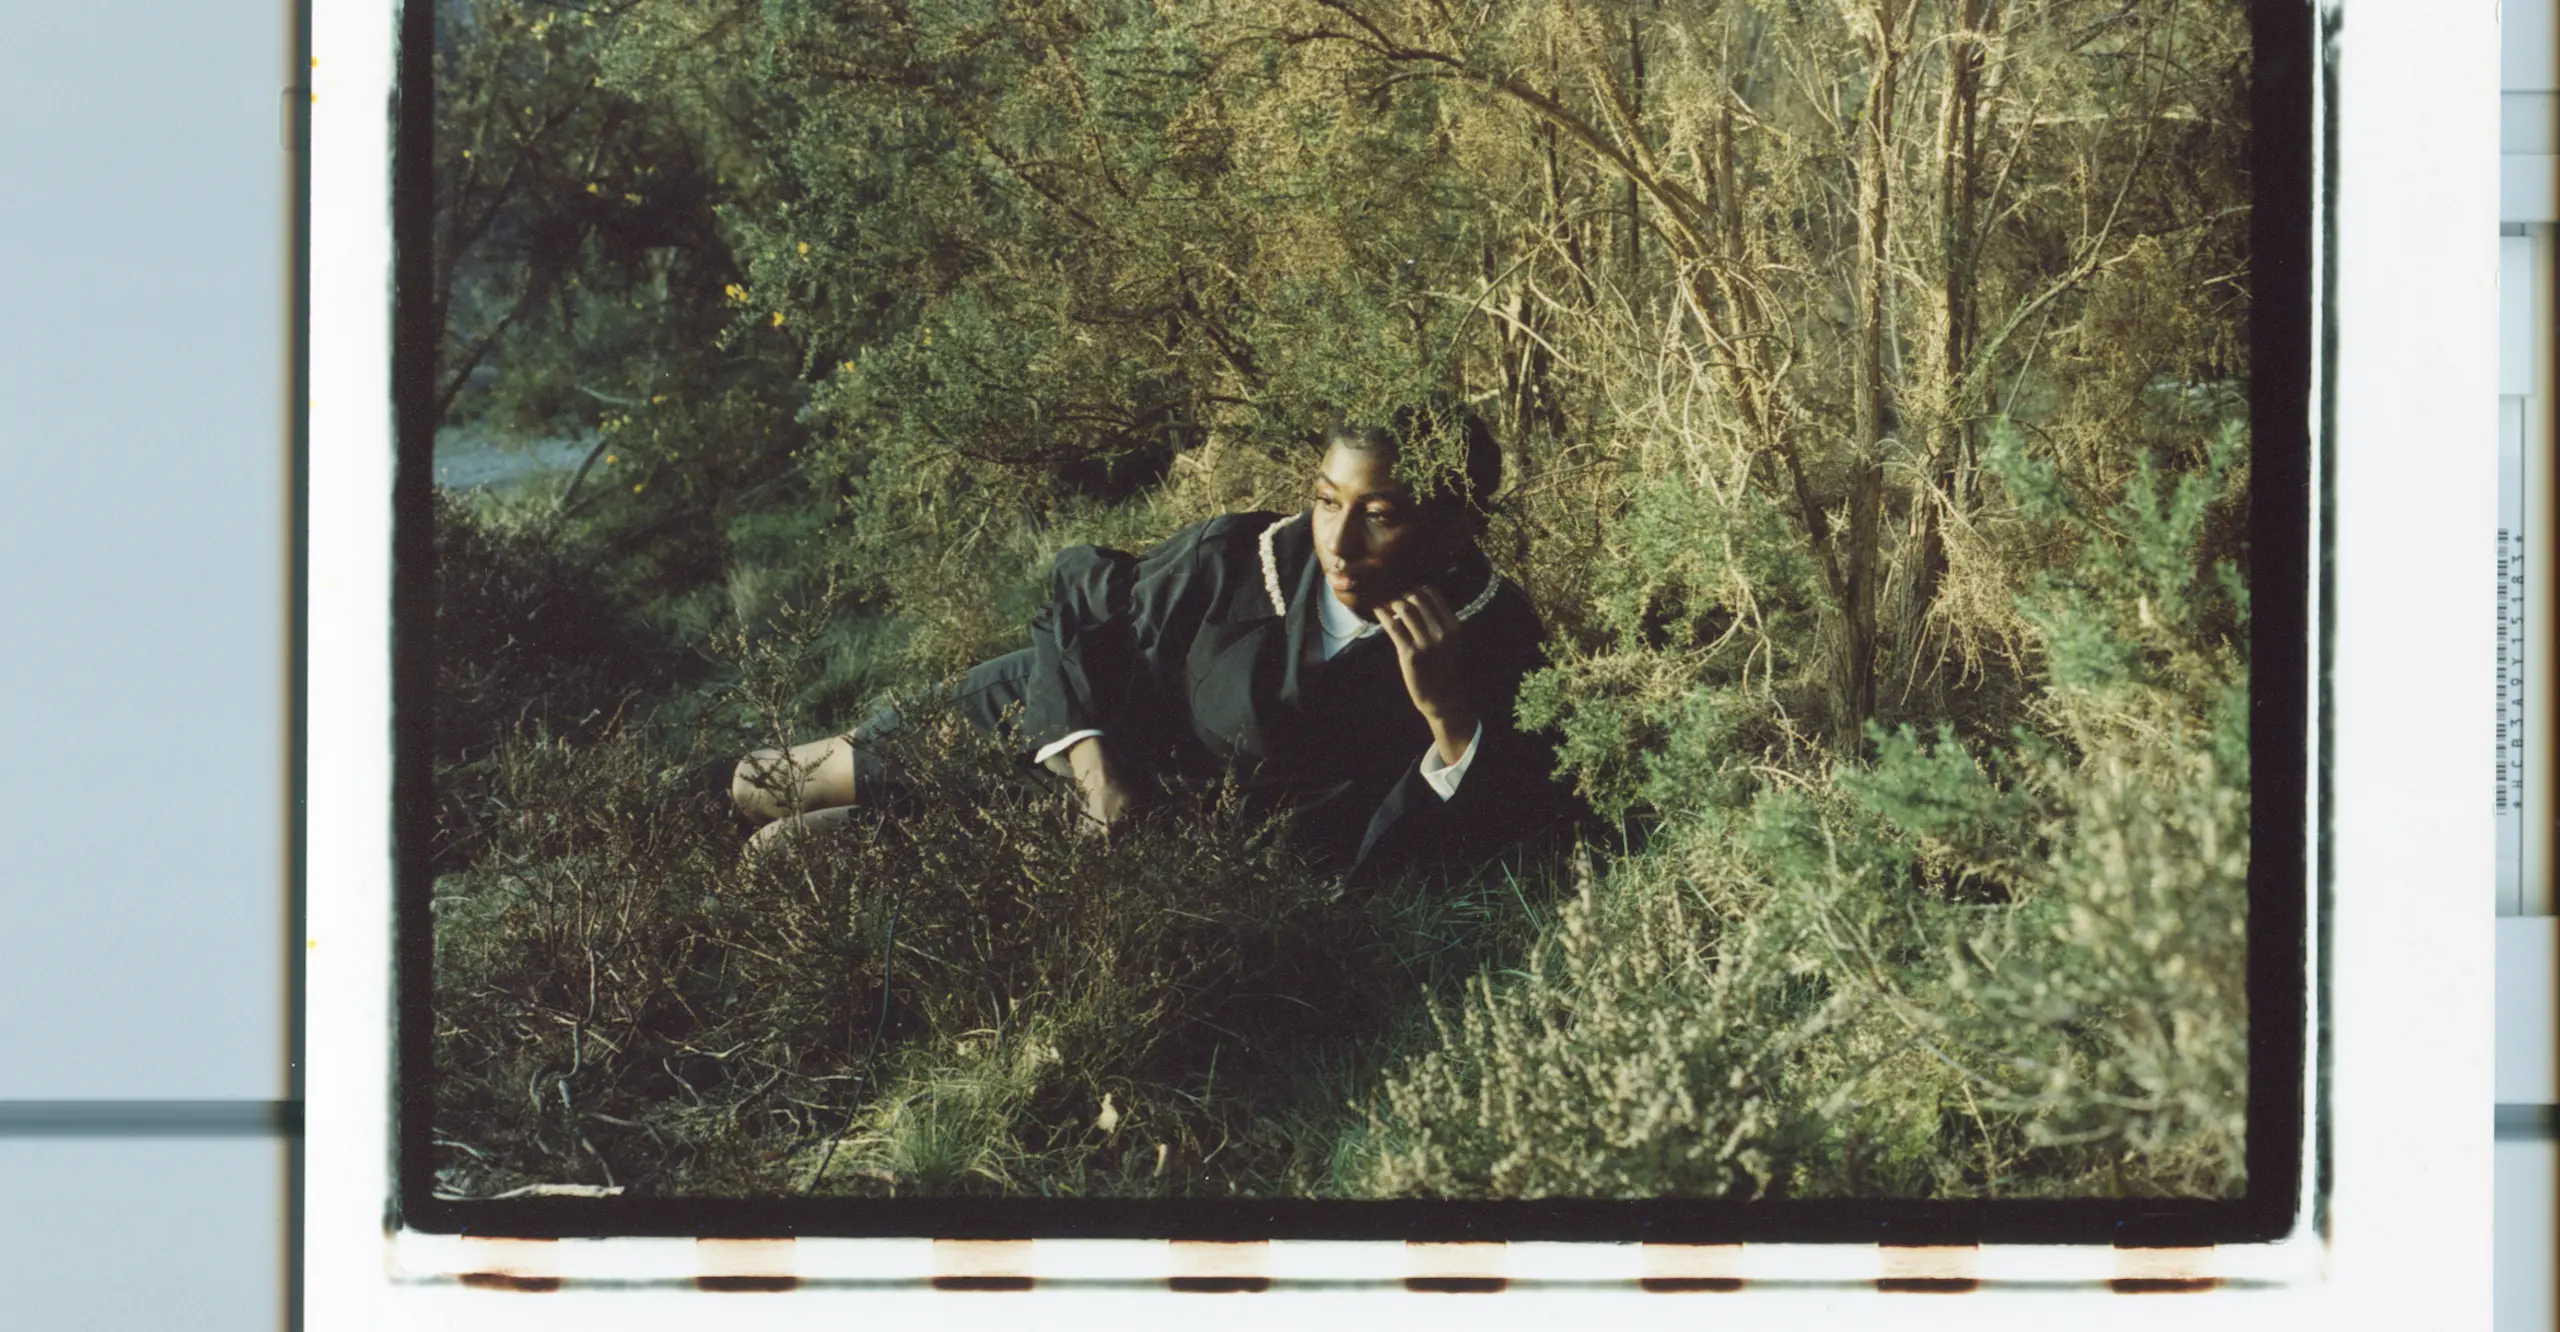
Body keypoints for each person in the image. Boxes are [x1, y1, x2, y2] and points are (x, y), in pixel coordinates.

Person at [729, 404, 1567, 881]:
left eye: (1380, 516)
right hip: (1064, 723)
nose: (1339, 544)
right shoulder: (1242, 557)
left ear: (1455, 524)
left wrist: (1450, 718)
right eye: (1326, 502)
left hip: (1156, 839)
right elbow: (1079, 606)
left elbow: (1488, 837)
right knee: (758, 785)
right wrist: (1098, 776)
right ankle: (617, 840)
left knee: (780, 857)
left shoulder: (1497, 641)